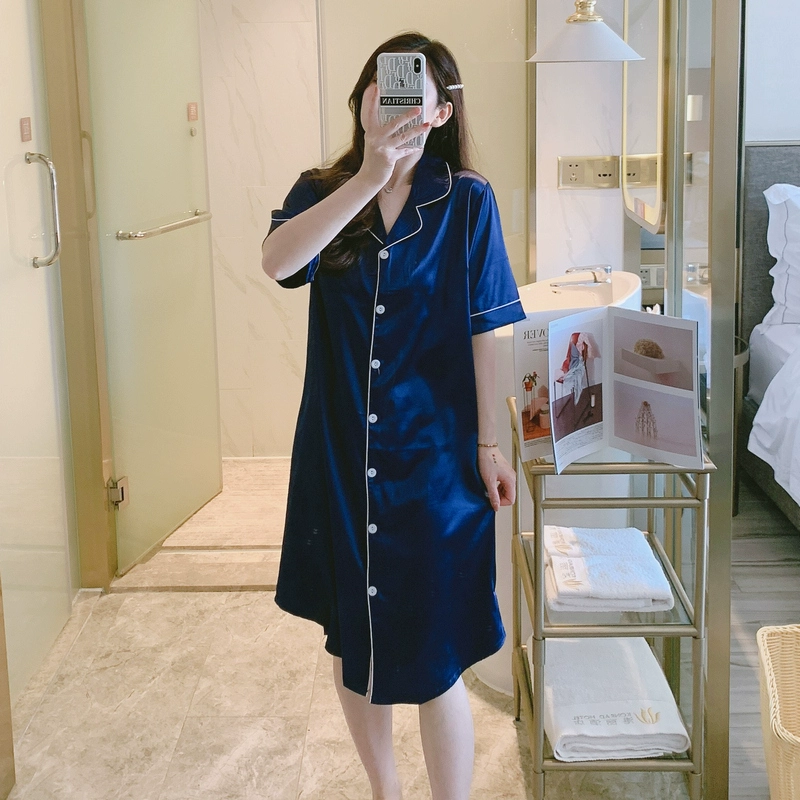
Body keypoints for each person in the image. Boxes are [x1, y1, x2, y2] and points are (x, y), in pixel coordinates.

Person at [261, 31, 525, 800]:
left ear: (441, 112)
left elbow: (483, 329)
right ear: (363, 101)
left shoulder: (467, 200)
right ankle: (385, 790)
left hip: (436, 465)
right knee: (354, 643)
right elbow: (278, 262)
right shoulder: (322, 191)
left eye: (414, 89)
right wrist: (370, 176)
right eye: (382, 85)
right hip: (342, 457)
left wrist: (488, 445)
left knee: (436, 656)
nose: (394, 98)